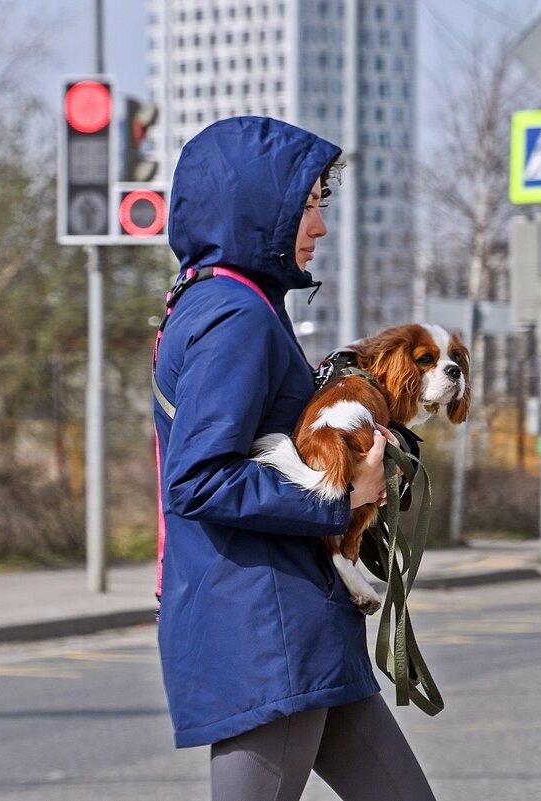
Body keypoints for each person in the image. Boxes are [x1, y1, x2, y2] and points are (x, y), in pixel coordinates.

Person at [153, 116, 436, 801]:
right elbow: (198, 478)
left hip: (294, 619)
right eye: (307, 205)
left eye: (319, 203)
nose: (321, 225)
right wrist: (343, 497)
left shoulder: (230, 301)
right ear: (256, 208)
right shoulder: (235, 315)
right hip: (268, 628)